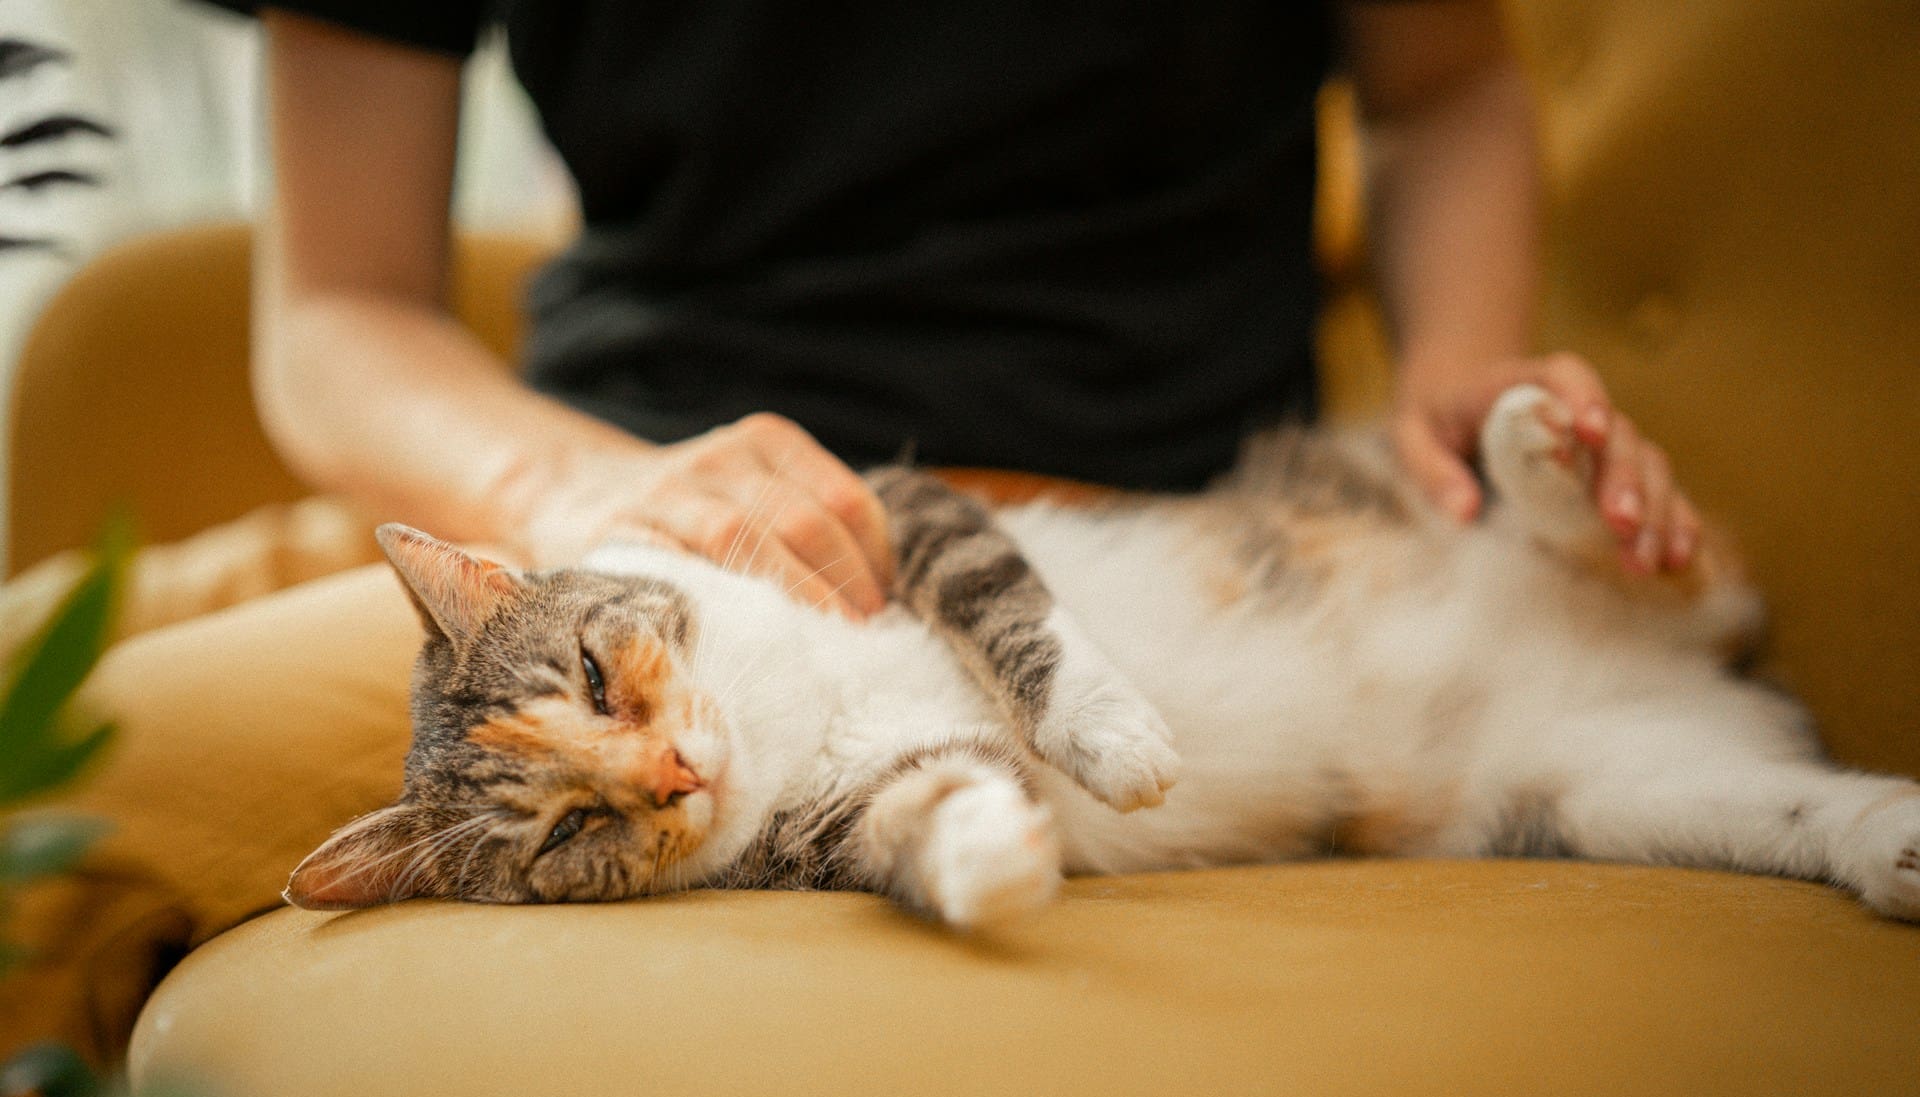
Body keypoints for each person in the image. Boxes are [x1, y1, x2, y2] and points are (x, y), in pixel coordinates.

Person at [232, 0, 1699, 619]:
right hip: (587, 503)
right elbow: (339, 310)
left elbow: (1442, 93)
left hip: (1130, 523)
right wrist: (573, 485)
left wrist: (1457, 358)